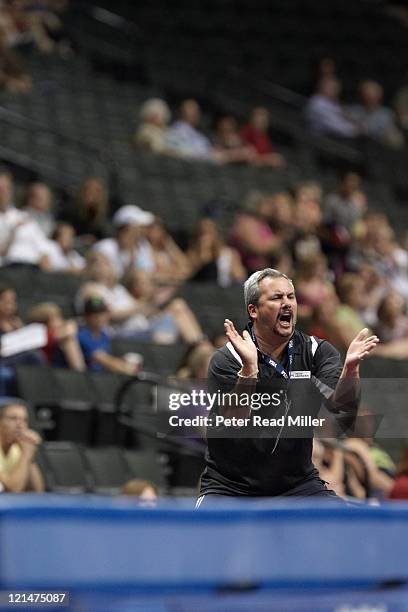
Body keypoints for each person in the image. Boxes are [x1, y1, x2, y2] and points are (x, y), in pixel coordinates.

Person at [197, 268, 379, 504]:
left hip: (297, 485)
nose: (287, 304)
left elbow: (343, 409)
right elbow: (234, 421)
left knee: (349, 527)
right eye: (276, 298)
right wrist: (249, 371)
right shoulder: (228, 358)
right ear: (253, 310)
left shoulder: (317, 352)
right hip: (231, 487)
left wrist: (351, 370)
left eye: (290, 297)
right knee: (204, 539)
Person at [0, 398, 44, 492]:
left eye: (24, 420)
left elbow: (37, 490)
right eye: (13, 418)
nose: (20, 425)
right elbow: (13, 489)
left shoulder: (18, 448)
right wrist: (26, 454)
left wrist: (30, 456)